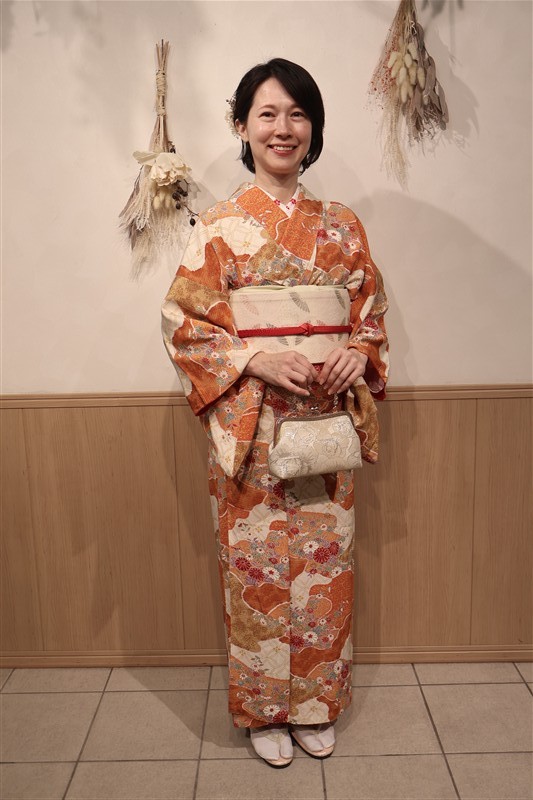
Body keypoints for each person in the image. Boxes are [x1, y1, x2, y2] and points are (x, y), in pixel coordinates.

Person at [161, 58, 389, 767]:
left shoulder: (342, 226)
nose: (282, 128)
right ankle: (264, 712)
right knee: (255, 566)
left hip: (325, 425)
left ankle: (315, 704)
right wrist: (253, 360)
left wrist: (357, 352)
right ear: (242, 126)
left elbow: (370, 315)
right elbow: (185, 324)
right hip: (252, 428)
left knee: (325, 564)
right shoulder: (218, 227)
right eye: (267, 113)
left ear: (312, 127)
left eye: (297, 114)